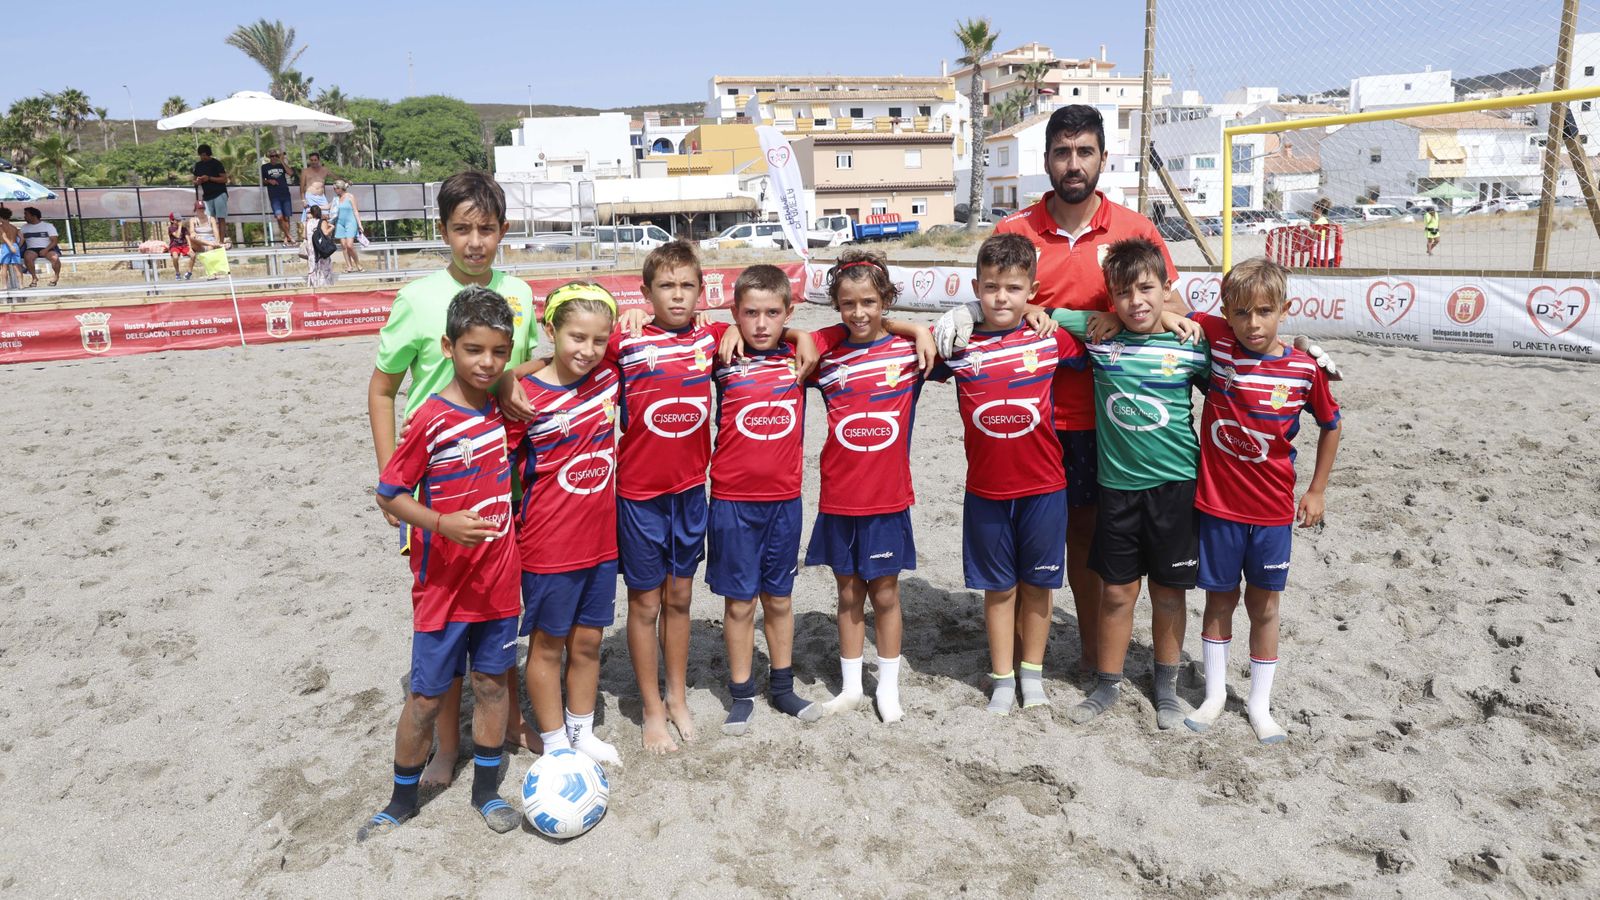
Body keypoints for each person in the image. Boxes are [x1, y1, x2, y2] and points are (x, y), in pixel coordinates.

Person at [940, 105, 1191, 685]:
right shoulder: (1014, 232)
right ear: (1047, 159)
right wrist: (962, 309)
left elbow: (1172, 308)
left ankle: (1116, 657)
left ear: (1104, 158)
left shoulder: (1136, 229)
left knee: (1121, 546)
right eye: (1062, 152)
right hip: (1045, 422)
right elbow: (992, 304)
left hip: (1125, 420)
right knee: (1077, 539)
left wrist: (1109, 316)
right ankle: (1085, 655)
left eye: (1084, 152)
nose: (1073, 164)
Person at [368, 171, 540, 787]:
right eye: (462, 229)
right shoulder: (417, 297)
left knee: (500, 616)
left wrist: (518, 377)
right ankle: (445, 748)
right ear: (443, 231)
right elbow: (384, 388)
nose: (475, 241)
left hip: (504, 478)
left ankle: (511, 721)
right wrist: (395, 487)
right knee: (444, 618)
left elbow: (524, 368)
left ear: (502, 231)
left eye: (486, 229)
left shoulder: (519, 293)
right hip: (436, 483)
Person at [360, 285, 525, 841]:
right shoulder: (429, 417)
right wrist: (439, 523)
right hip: (444, 588)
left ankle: (485, 792)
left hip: (499, 583)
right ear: (448, 347)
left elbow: (550, 367)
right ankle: (401, 799)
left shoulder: (505, 411)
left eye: (498, 352)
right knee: (426, 698)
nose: (487, 362)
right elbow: (389, 493)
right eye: (474, 350)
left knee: (493, 687)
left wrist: (521, 372)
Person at [1044, 238, 1210, 730]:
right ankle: (1107, 684)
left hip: (1176, 488)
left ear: (1165, 290)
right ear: (1110, 300)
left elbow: (1243, 348)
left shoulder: (1189, 344)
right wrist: (1104, 316)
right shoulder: (1100, 336)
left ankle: (1166, 689)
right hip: (1117, 488)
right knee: (1117, 593)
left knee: (1168, 593)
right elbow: (1042, 310)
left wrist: (1306, 348)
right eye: (1123, 294)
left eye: (1146, 289)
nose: (1136, 301)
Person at [1181, 258, 1341, 743]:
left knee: (1265, 607)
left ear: (1284, 310)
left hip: (1272, 511)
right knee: (1219, 600)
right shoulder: (1220, 347)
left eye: (1265, 311)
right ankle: (1213, 696)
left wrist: (1316, 489)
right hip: (1217, 506)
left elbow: (1331, 425)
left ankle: (1258, 705)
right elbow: (1171, 307)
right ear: (1227, 314)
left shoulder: (1304, 369)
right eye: (1242, 312)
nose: (1253, 323)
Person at [927, 233, 1088, 715]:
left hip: (1045, 487)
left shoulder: (1048, 337)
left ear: (1032, 290)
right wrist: (949, 317)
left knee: (1039, 586)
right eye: (992, 287)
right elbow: (903, 345)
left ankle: (1032, 676)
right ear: (976, 287)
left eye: (1014, 288)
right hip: (987, 490)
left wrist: (1055, 317)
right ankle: (1002, 677)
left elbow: (1100, 337)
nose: (1002, 297)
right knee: (999, 589)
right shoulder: (958, 343)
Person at [805, 250, 934, 725]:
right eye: (847, 304)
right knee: (847, 594)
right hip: (839, 495)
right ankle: (852, 688)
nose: (858, 313)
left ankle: (889, 690)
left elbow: (970, 326)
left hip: (887, 497)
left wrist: (916, 329)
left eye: (869, 302)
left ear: (886, 301)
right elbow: (797, 339)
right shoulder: (825, 357)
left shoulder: (909, 352)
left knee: (885, 594)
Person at [509, 282, 624, 766]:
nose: (588, 350)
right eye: (577, 337)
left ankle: (581, 732)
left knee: (589, 641)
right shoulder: (522, 396)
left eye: (599, 341)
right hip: (548, 542)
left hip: (600, 539)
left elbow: (642, 341)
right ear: (550, 331)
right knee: (548, 646)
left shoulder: (610, 378)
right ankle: (554, 742)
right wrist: (514, 374)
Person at [707, 264, 823, 736]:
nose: (760, 323)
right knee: (739, 604)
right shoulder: (720, 355)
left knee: (779, 598)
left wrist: (803, 336)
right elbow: (687, 328)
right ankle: (741, 694)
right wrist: (726, 327)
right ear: (735, 313)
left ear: (788, 313)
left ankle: (782, 686)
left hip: (784, 502)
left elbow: (847, 333)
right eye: (749, 313)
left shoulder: (801, 360)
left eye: (772, 313)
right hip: (733, 503)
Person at [19, 207, 62, 288]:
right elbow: (20, 240)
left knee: (55, 258)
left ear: (33, 216)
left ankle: (56, 276)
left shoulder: (48, 226)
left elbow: (54, 241)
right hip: (31, 249)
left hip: (47, 248)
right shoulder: (24, 227)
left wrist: (46, 250)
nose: (24, 217)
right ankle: (34, 278)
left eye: (26, 214)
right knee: (27, 257)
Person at [192, 144, 229, 237]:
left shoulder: (216, 163)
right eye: (201, 155)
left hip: (219, 193)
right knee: (208, 219)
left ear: (209, 154)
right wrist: (198, 181)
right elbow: (194, 180)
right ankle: (211, 241)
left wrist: (209, 178)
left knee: (221, 218)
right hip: (207, 196)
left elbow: (225, 179)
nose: (202, 157)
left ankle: (221, 241)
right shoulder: (198, 165)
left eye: (204, 155)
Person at [261, 149, 296, 246]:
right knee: (279, 216)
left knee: (286, 217)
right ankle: (289, 236)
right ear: (269, 157)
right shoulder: (264, 167)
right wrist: (269, 181)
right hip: (274, 195)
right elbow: (261, 181)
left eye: (276, 155)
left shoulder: (281, 165)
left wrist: (281, 160)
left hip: (285, 193)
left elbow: (291, 173)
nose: (274, 157)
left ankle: (286, 238)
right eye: (272, 156)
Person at [332, 180, 364, 273]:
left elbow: (355, 211)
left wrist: (359, 224)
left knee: (350, 245)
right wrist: (314, 207)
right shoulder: (336, 199)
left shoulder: (350, 196)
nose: (334, 190)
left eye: (335, 188)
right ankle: (349, 266)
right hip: (340, 222)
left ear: (340, 188)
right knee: (344, 245)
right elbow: (329, 207)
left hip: (350, 222)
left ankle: (358, 263)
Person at [304, 205, 337, 289]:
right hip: (321, 248)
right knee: (324, 267)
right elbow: (325, 233)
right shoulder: (322, 221)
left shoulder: (307, 222)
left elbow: (304, 236)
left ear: (311, 213)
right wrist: (332, 227)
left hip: (311, 249)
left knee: (313, 267)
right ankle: (325, 286)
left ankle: (313, 286)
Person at [300, 151, 331, 228]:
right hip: (310, 196)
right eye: (311, 160)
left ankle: (324, 235)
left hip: (321, 197)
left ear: (318, 160)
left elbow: (335, 177)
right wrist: (303, 200)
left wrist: (346, 181)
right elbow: (301, 187)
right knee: (310, 217)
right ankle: (311, 236)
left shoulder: (324, 170)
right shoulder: (305, 171)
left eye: (315, 160)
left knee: (326, 216)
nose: (313, 162)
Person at [166, 213, 193, 281]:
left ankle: (189, 272)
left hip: (183, 245)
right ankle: (177, 273)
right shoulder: (171, 228)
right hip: (174, 246)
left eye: (180, 220)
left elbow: (187, 238)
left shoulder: (184, 229)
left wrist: (190, 248)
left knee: (193, 255)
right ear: (172, 221)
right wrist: (180, 226)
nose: (180, 222)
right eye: (177, 220)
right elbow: (177, 235)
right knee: (175, 257)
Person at [0, 207, 22, 290]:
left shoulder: (1, 227)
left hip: (6, 246)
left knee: (4, 267)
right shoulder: (14, 227)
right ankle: (21, 284)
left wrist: (10, 246)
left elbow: (4, 237)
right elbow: (22, 238)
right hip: (15, 245)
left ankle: (4, 286)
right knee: (17, 267)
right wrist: (17, 246)